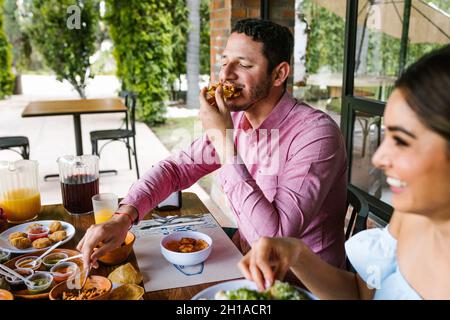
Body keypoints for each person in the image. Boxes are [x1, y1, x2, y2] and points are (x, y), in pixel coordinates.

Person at [77, 18, 348, 271]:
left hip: (300, 282)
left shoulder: (317, 135)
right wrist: (122, 218)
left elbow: (274, 243)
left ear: (279, 75)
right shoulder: (238, 118)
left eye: (243, 64)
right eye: (224, 62)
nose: (226, 75)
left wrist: (223, 140)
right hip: (244, 258)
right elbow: (176, 169)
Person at [238, 45, 450, 300]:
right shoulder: (409, 218)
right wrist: (297, 254)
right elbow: (360, 294)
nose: (379, 158)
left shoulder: (315, 132)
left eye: (402, 141)